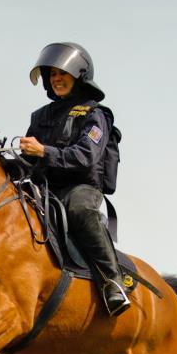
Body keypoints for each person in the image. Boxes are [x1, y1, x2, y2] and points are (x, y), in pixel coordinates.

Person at [19, 42, 129, 317]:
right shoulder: (40, 116)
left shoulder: (95, 115)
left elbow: (85, 156)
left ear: (79, 75)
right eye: (51, 74)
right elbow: (28, 162)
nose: (56, 79)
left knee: (79, 210)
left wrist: (43, 151)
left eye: (62, 73)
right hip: (44, 189)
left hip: (80, 188)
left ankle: (113, 281)